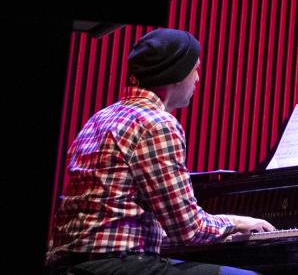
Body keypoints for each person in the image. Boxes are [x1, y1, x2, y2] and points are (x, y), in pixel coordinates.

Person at [46, 28, 276, 274]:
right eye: (194, 68)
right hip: (116, 265)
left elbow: (116, 217)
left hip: (70, 263)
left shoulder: (100, 118)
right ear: (176, 74)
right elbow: (190, 229)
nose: (197, 78)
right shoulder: (157, 123)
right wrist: (239, 222)